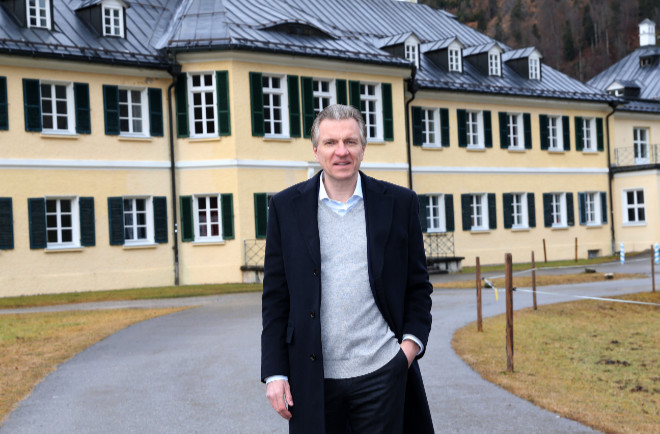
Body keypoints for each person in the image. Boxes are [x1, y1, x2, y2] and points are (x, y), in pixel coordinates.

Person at [261, 104, 434, 433]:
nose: (341, 151)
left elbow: (418, 288)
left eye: (350, 142)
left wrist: (406, 353)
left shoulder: (399, 204)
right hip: (313, 379)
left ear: (363, 148)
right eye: (330, 143)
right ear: (315, 150)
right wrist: (275, 372)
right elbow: (275, 299)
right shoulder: (285, 208)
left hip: (383, 372)